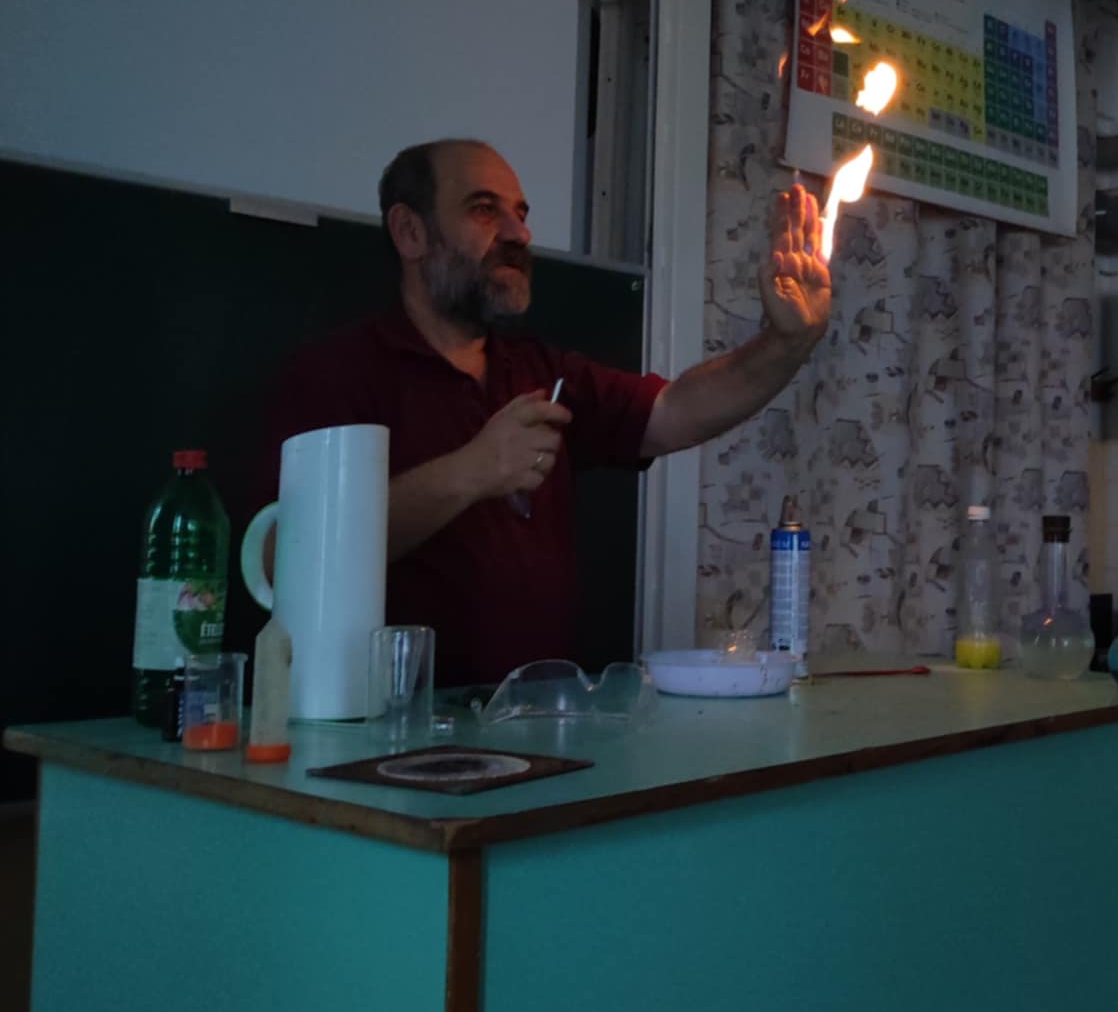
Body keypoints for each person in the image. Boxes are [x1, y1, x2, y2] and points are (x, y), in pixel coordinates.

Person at [259, 138, 827, 684]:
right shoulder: (337, 374)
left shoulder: (538, 370)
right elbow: (277, 559)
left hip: (536, 724)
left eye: (521, 213)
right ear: (411, 232)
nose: (519, 233)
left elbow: (675, 410)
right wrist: (473, 470)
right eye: (485, 210)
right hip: (387, 731)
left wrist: (787, 342)